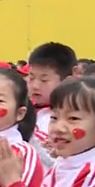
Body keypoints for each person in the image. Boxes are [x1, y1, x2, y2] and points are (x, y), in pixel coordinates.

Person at [27, 42, 77, 170]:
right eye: (31, 78)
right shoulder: (25, 111)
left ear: (67, 82)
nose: (35, 86)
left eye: (44, 80)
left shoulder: (75, 118)